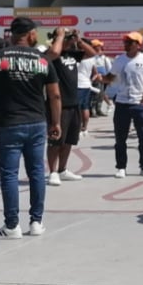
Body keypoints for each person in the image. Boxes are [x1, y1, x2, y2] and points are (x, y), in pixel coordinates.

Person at [0, 17, 61, 240]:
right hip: (37, 123)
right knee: (37, 173)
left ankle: (12, 226)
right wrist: (56, 122)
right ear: (30, 35)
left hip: (9, 123)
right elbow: (55, 95)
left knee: (10, 175)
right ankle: (37, 222)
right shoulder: (42, 60)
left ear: (12, 34)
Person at [109, 31, 143, 179]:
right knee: (120, 138)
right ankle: (121, 167)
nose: (126, 44)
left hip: (139, 104)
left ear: (138, 45)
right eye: (125, 42)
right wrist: (100, 78)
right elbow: (110, 76)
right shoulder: (119, 60)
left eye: (130, 42)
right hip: (121, 103)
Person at [46, 28, 93, 186]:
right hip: (58, 105)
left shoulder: (72, 55)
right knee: (55, 140)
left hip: (74, 103)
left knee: (69, 140)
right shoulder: (51, 54)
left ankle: (63, 169)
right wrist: (60, 37)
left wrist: (78, 40)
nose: (69, 41)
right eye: (67, 38)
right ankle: (52, 172)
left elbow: (92, 54)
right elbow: (53, 52)